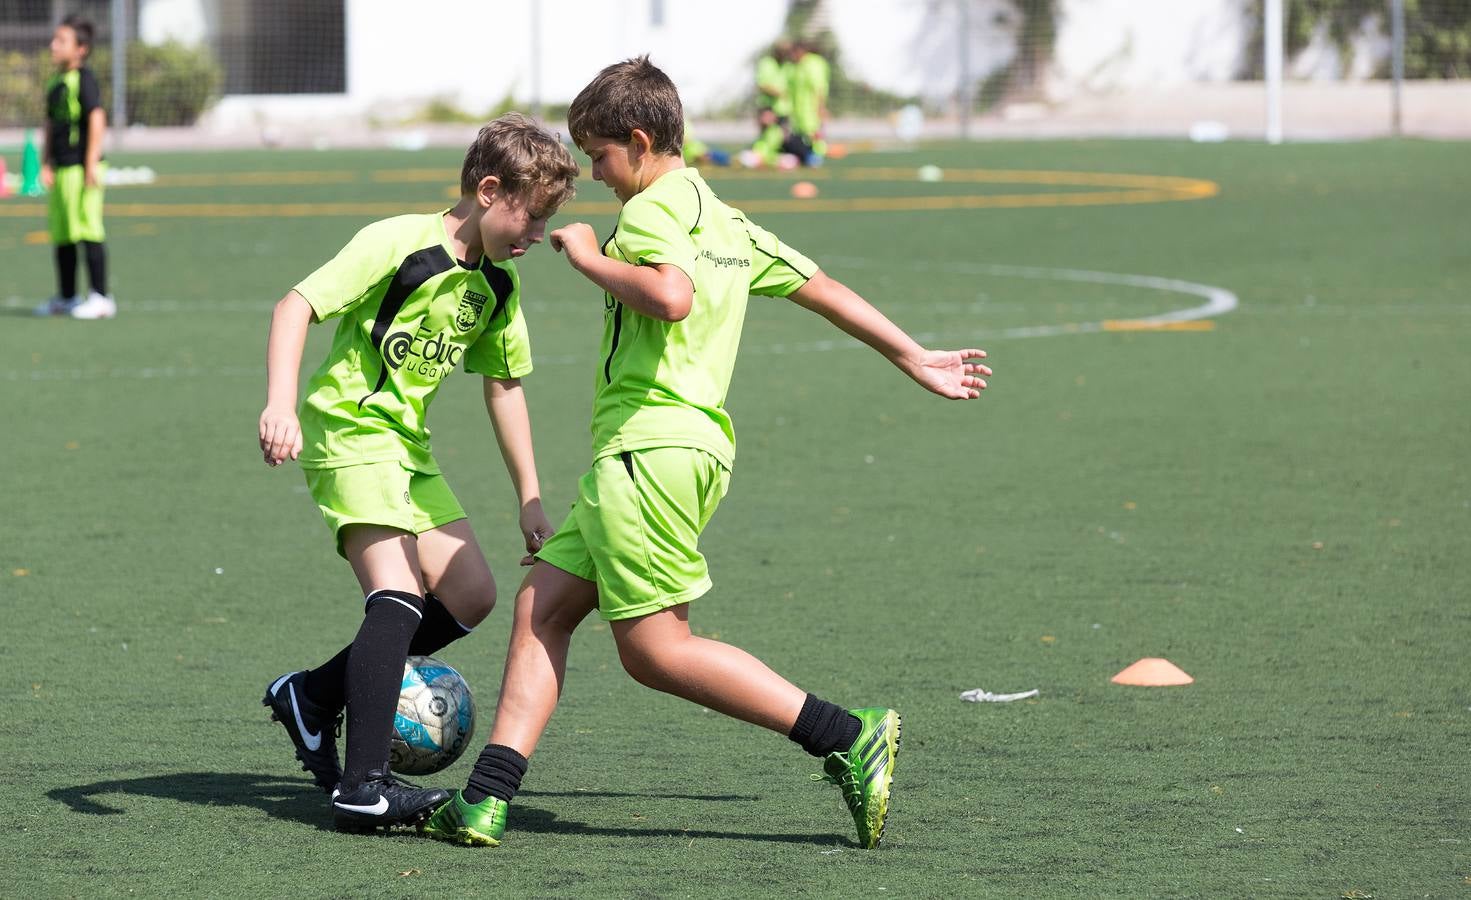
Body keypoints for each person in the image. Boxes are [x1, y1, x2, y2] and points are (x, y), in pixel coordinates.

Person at [423, 57, 991, 850]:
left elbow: (670, 296)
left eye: (601, 157)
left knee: (656, 652)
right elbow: (820, 285)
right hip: (665, 454)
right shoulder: (725, 220)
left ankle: (844, 734)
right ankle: (485, 800)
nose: (596, 175)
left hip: (649, 452)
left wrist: (589, 257)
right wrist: (909, 353)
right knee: (541, 609)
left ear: (641, 140)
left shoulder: (654, 210)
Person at [257, 112, 578, 833]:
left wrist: (529, 495)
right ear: (489, 190)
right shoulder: (399, 242)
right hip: (350, 430)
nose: (535, 236)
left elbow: (504, 384)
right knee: (397, 594)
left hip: (408, 449)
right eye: (531, 217)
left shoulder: (496, 286)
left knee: (470, 595)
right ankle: (361, 787)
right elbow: (295, 305)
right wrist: (281, 404)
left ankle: (312, 696)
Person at [33, 14, 114, 319]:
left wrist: (91, 161)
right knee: (63, 232)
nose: (54, 45)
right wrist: (45, 162)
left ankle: (101, 297)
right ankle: (67, 296)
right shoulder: (56, 81)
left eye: (61, 41)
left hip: (83, 168)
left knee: (88, 228)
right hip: (62, 169)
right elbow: (50, 124)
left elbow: (96, 117)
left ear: (81, 48)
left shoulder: (85, 79)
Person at [789, 40, 831, 164]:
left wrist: (821, 106)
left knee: (814, 133)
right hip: (801, 109)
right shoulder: (799, 65)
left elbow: (819, 87)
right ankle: (807, 156)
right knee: (803, 135)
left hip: (811, 108)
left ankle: (817, 156)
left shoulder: (813, 64)